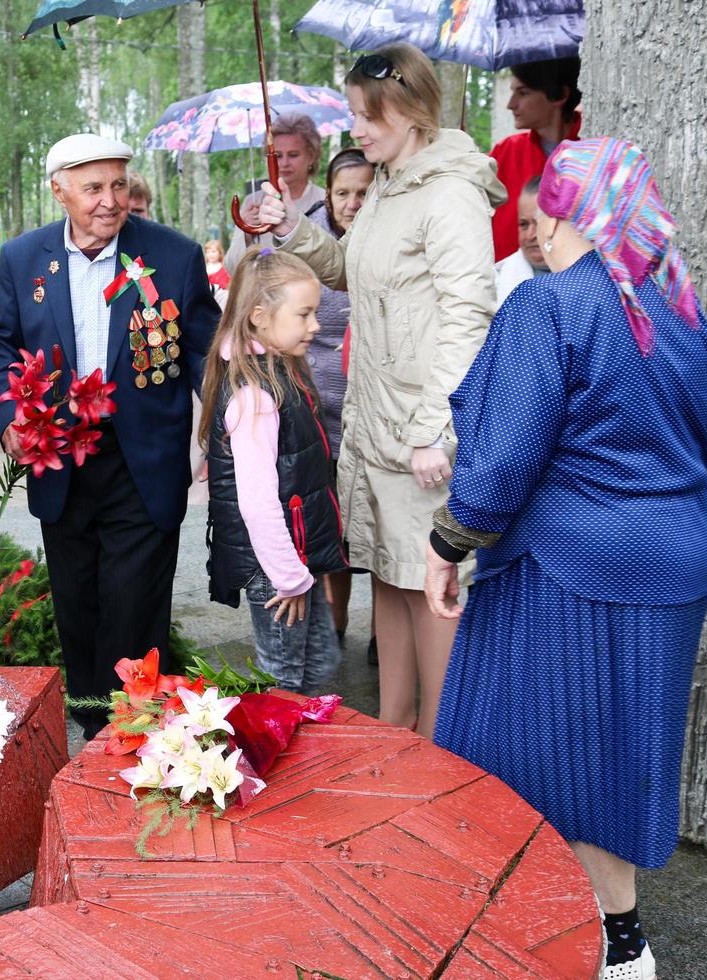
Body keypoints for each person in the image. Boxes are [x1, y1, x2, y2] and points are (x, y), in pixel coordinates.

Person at [425, 138, 707, 980]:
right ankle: (607, 936)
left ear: (565, 213)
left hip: (569, 568)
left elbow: (504, 462)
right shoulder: (681, 313)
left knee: (544, 752)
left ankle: (595, 938)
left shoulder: (550, 306)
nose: (530, 227)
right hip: (672, 563)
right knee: (622, 751)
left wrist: (449, 542)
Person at [254, 43, 504, 738]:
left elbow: (469, 316)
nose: (355, 130)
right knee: (389, 583)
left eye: (366, 115)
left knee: (429, 592)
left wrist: (436, 428)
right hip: (377, 425)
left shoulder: (450, 193)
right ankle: (394, 733)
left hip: (422, 435)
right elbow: (348, 272)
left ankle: (438, 756)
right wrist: (290, 228)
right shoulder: (391, 182)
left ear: (410, 109)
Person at [0, 133, 221, 740]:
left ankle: (135, 736)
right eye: (93, 188)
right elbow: (1, 344)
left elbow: (208, 357)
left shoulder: (173, 256)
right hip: (58, 458)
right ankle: (92, 734)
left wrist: (240, 420)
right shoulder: (23, 258)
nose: (110, 201)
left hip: (142, 460)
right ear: (59, 191)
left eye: (118, 184)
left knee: (134, 608)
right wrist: (12, 417)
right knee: (78, 608)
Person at [202, 247, 345, 694]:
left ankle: (311, 750)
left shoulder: (278, 368)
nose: (316, 326)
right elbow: (258, 502)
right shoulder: (257, 394)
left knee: (320, 661)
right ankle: (276, 761)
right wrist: (289, 577)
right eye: (304, 314)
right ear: (260, 316)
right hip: (277, 569)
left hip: (295, 561)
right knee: (283, 680)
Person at [306, 147, 375, 644]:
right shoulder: (313, 246)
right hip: (320, 412)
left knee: (380, 525)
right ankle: (337, 619)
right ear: (327, 196)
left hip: (373, 413)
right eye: (342, 193)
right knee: (332, 530)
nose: (352, 202)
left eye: (363, 192)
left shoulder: (391, 240)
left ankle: (386, 631)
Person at [489, 57, 582, 261]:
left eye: (523, 93)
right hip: (508, 286)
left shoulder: (592, 153)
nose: (511, 104)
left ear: (559, 95)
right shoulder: (504, 154)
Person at [227, 113, 328, 262]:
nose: (285, 163)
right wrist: (246, 233)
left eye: (293, 155)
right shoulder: (253, 202)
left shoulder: (325, 201)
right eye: (278, 156)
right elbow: (232, 267)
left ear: (311, 156)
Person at [495, 177, 550, 302]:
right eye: (523, 224)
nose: (530, 235)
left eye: (539, 224)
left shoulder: (596, 279)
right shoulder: (494, 281)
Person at [203, 239, 230, 306]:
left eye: (213, 252)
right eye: (208, 252)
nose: (210, 254)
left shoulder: (224, 268)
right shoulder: (203, 267)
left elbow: (226, 286)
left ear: (219, 253)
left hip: (220, 300)